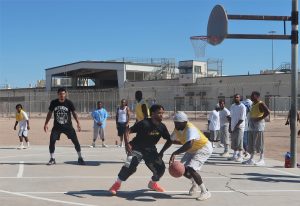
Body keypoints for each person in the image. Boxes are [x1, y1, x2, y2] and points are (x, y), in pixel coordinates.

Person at [108, 104, 172, 195]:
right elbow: (127, 131)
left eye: (162, 113)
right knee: (129, 165)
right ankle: (116, 184)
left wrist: (162, 152)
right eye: (159, 113)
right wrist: (127, 144)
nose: (161, 115)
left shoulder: (162, 127)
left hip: (150, 150)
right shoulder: (144, 123)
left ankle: (152, 184)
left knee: (160, 168)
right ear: (153, 113)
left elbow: (169, 140)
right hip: (136, 148)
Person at [169, 111, 213, 201]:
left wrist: (174, 153)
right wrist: (161, 152)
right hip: (192, 148)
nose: (175, 125)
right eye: (175, 122)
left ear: (184, 122)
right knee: (182, 169)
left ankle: (205, 192)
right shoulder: (177, 129)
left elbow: (189, 144)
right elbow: (170, 140)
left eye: (177, 123)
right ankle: (194, 183)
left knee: (191, 168)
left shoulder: (190, 128)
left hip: (203, 147)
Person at [44, 87, 85, 165]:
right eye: (60, 94)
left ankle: (80, 157)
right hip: (57, 127)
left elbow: (74, 113)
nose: (62, 95)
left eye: (63, 94)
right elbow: (49, 113)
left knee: (76, 142)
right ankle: (52, 158)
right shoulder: (54, 102)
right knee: (52, 141)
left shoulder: (69, 103)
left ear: (65, 94)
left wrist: (78, 123)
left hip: (68, 127)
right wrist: (46, 123)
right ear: (58, 95)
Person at [243, 91, 270, 166]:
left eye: (252, 95)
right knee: (251, 143)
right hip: (251, 126)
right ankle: (251, 159)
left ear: (256, 96)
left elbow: (267, 112)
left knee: (259, 143)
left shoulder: (260, 103)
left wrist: (259, 119)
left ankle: (262, 159)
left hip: (258, 127)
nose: (250, 97)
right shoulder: (253, 104)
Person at [228, 94, 246, 162]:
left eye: (237, 97)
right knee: (234, 141)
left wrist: (236, 126)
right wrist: (230, 126)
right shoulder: (232, 106)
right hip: (233, 126)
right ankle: (234, 155)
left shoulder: (242, 107)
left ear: (240, 98)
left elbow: (242, 119)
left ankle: (240, 156)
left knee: (239, 141)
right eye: (235, 97)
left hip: (239, 127)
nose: (236, 98)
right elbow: (230, 117)